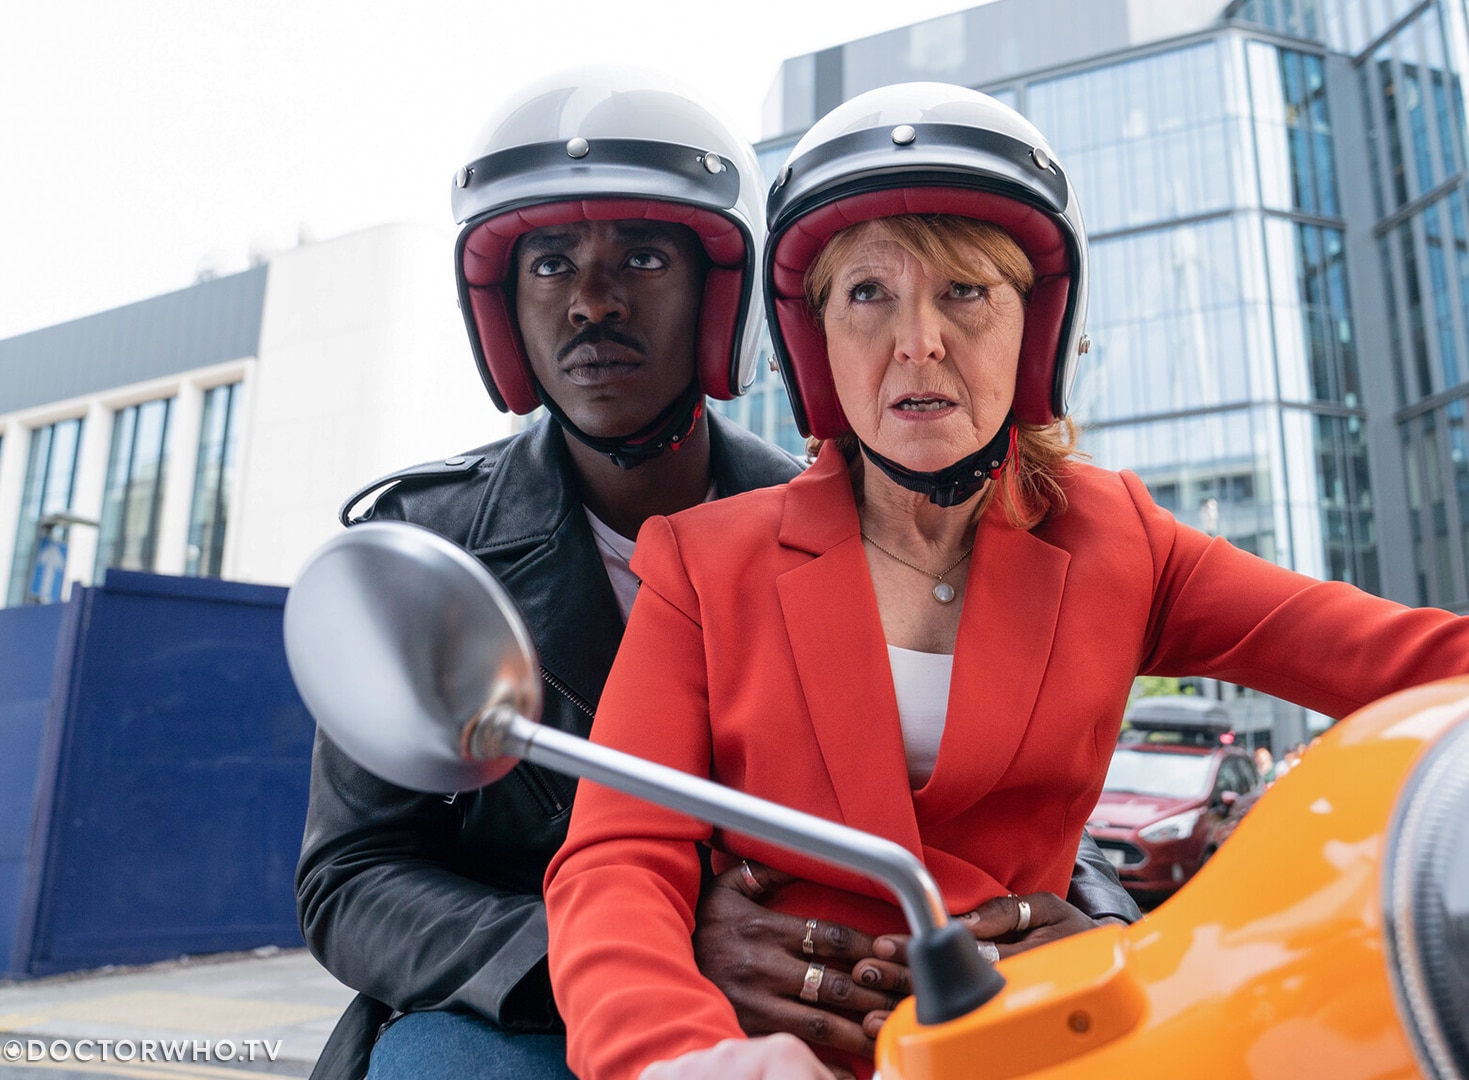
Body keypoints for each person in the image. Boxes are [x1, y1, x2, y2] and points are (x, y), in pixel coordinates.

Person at [541, 81, 1469, 1080]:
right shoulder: (707, 561)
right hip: (770, 1057)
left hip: (1037, 1043)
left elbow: (1412, 657)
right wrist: (680, 1060)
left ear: (1032, 331)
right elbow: (616, 857)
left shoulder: (1114, 538)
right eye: (869, 298)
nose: (920, 348)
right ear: (815, 338)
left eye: (967, 297)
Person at [295, 69, 1141, 1080]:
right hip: (525, 1016)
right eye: (551, 265)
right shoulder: (428, 547)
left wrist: (1097, 922)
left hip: (827, 1009)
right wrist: (637, 950)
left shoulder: (864, 530)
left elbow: (992, 780)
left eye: (642, 258)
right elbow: (351, 876)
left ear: (721, 300)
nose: (591, 303)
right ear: (505, 309)